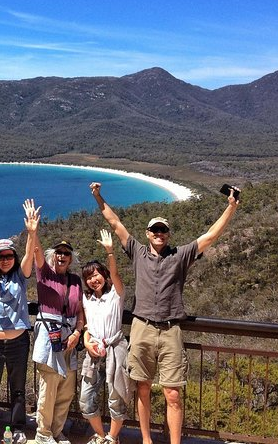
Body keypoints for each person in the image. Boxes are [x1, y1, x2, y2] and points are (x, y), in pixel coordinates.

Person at [90, 181, 239, 444]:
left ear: (168, 234)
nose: (159, 234)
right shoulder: (137, 251)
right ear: (147, 233)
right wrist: (99, 197)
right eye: (155, 230)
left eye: (163, 230)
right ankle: (146, 440)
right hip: (142, 327)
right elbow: (116, 224)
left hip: (171, 330)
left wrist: (231, 208)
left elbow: (210, 236)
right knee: (143, 388)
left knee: (173, 394)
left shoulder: (180, 256)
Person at [0, 200, 40, 444]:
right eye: (0, 256)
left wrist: (32, 232)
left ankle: (18, 428)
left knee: (18, 390)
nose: (5, 260)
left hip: (18, 343)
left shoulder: (21, 277)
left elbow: (28, 255)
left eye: (8, 255)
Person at [32, 226, 86, 444]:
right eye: (59, 252)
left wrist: (78, 332)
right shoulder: (45, 273)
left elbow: (80, 309)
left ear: (71, 259)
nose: (62, 256)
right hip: (49, 334)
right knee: (49, 386)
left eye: (66, 253)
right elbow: (36, 250)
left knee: (66, 389)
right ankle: (43, 433)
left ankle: (56, 430)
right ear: (52, 255)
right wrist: (33, 231)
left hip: (70, 336)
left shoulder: (75, 280)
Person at [79, 230, 132, 444]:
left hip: (115, 348)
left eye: (96, 275)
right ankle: (100, 435)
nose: (93, 280)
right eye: (89, 277)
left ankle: (112, 437)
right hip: (93, 349)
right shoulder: (86, 299)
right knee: (85, 397)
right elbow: (86, 326)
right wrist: (86, 342)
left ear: (105, 275)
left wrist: (110, 252)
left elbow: (116, 276)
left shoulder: (116, 295)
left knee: (116, 396)